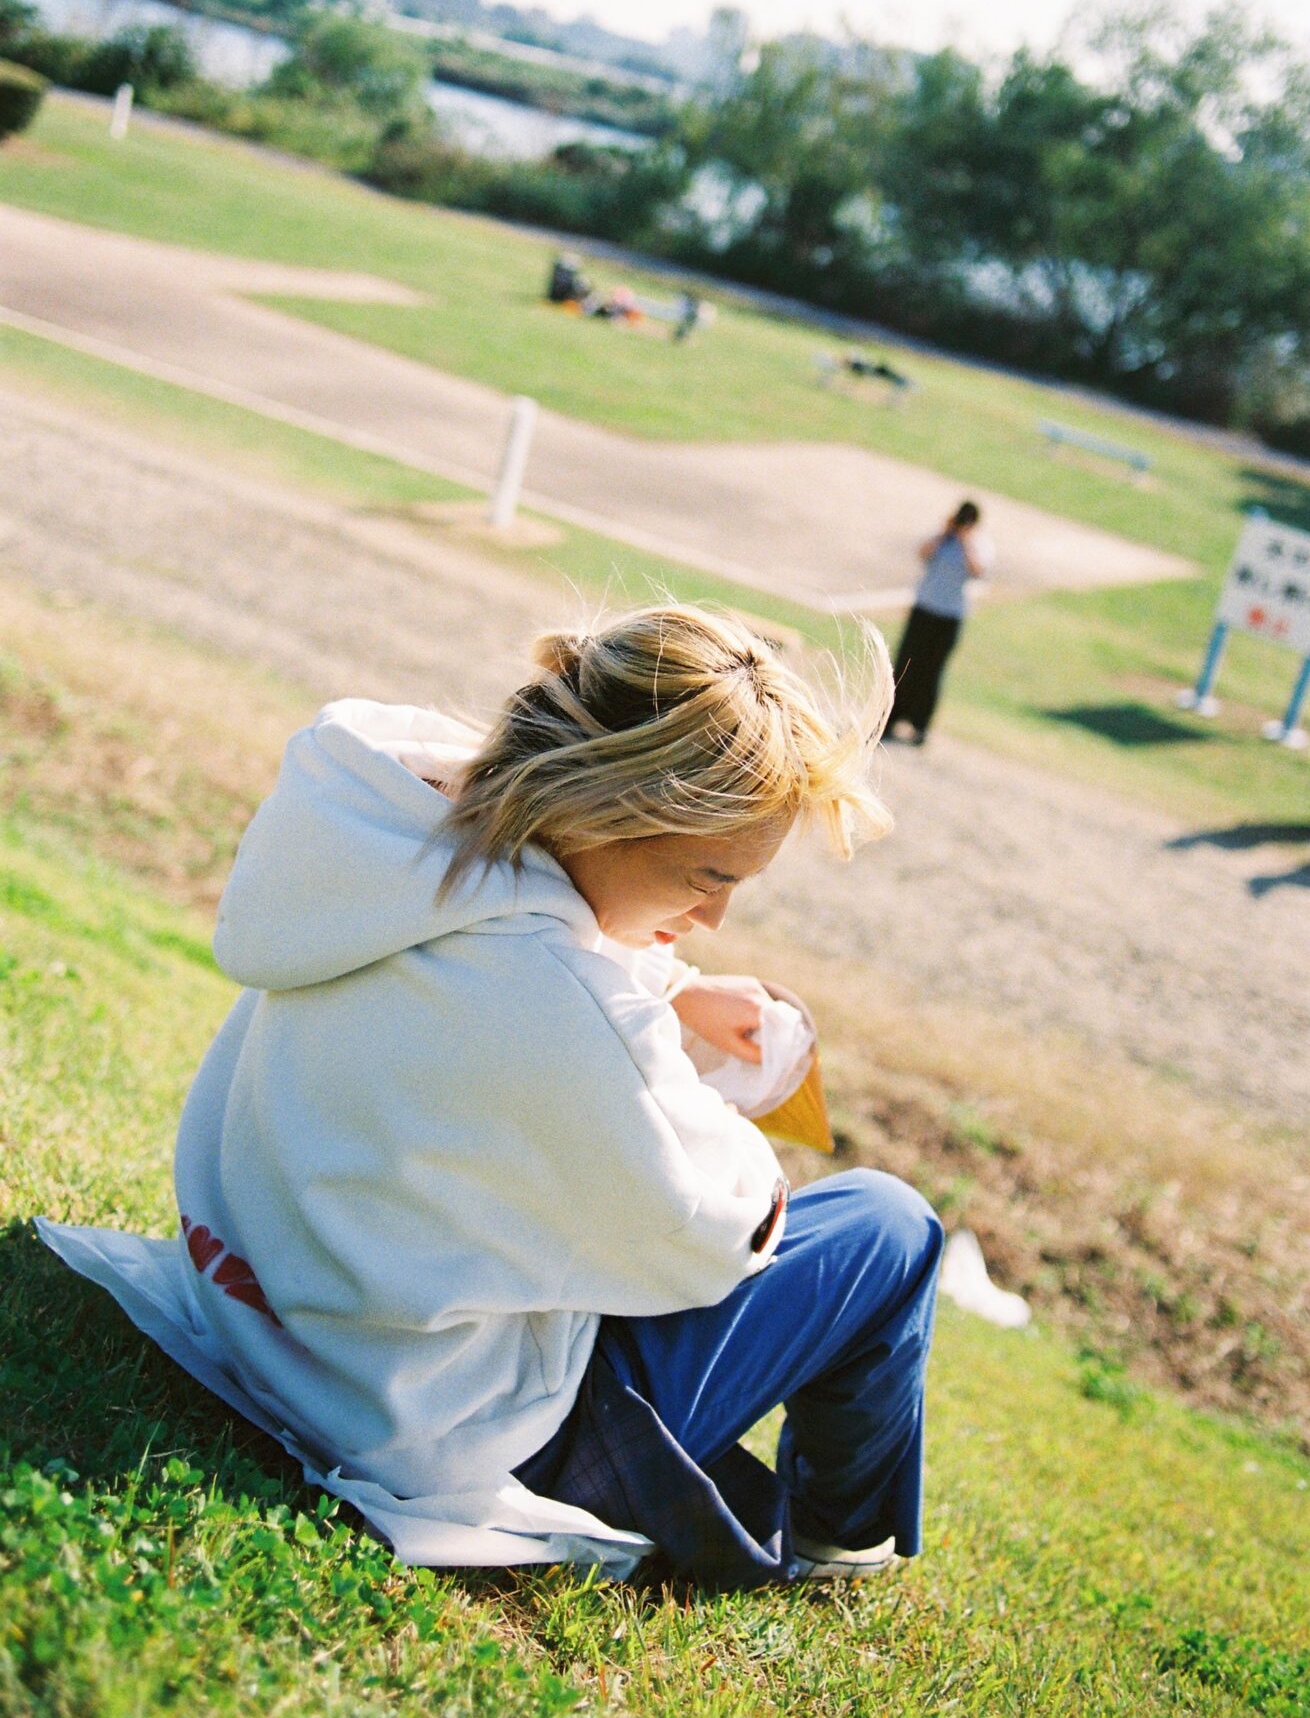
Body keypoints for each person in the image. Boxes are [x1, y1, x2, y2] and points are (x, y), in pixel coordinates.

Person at [39, 605, 943, 1591]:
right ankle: (841, 1544)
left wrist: (669, 988)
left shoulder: (377, 838)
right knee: (886, 1226)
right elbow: (716, 1234)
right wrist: (705, 1077)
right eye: (708, 874)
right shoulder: (566, 1010)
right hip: (425, 1423)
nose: (715, 915)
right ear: (610, 807)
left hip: (259, 1314)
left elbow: (518, 960)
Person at [885, 501, 994, 747]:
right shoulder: (943, 537)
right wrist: (945, 533)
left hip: (950, 616)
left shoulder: (980, 544)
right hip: (925, 608)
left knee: (932, 671)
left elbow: (978, 571)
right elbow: (923, 553)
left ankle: (919, 724)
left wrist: (965, 541)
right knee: (906, 665)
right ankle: (891, 718)